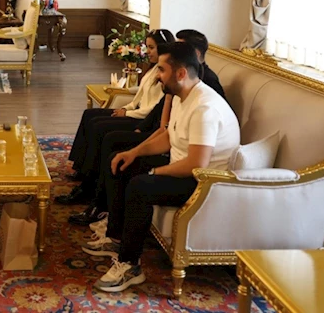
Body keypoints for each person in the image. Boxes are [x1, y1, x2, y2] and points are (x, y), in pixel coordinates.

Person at [83, 42, 239, 292]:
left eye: (162, 70)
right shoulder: (182, 95)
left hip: (205, 183)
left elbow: (197, 164)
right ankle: (116, 237)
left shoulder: (205, 108)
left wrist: (154, 172)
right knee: (122, 162)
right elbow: (169, 137)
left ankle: (130, 266)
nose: (157, 76)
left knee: (140, 186)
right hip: (184, 167)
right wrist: (133, 153)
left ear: (181, 73)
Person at [67, 28, 226, 226]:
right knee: (100, 128)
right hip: (164, 134)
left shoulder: (201, 90)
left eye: (180, 47)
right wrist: (137, 142)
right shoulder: (180, 85)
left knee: (111, 139)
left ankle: (98, 204)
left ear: (193, 55)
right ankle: (90, 188)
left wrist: (152, 164)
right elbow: (163, 119)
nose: (159, 74)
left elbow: (192, 154)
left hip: (186, 161)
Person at [58, 29, 175, 204]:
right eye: (147, 47)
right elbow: (140, 97)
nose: (148, 52)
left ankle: (89, 183)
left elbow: (151, 109)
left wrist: (127, 113)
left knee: (99, 127)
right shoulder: (153, 69)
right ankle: (82, 168)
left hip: (141, 119)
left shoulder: (165, 75)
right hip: (136, 112)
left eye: (152, 47)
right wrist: (126, 107)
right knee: (90, 115)